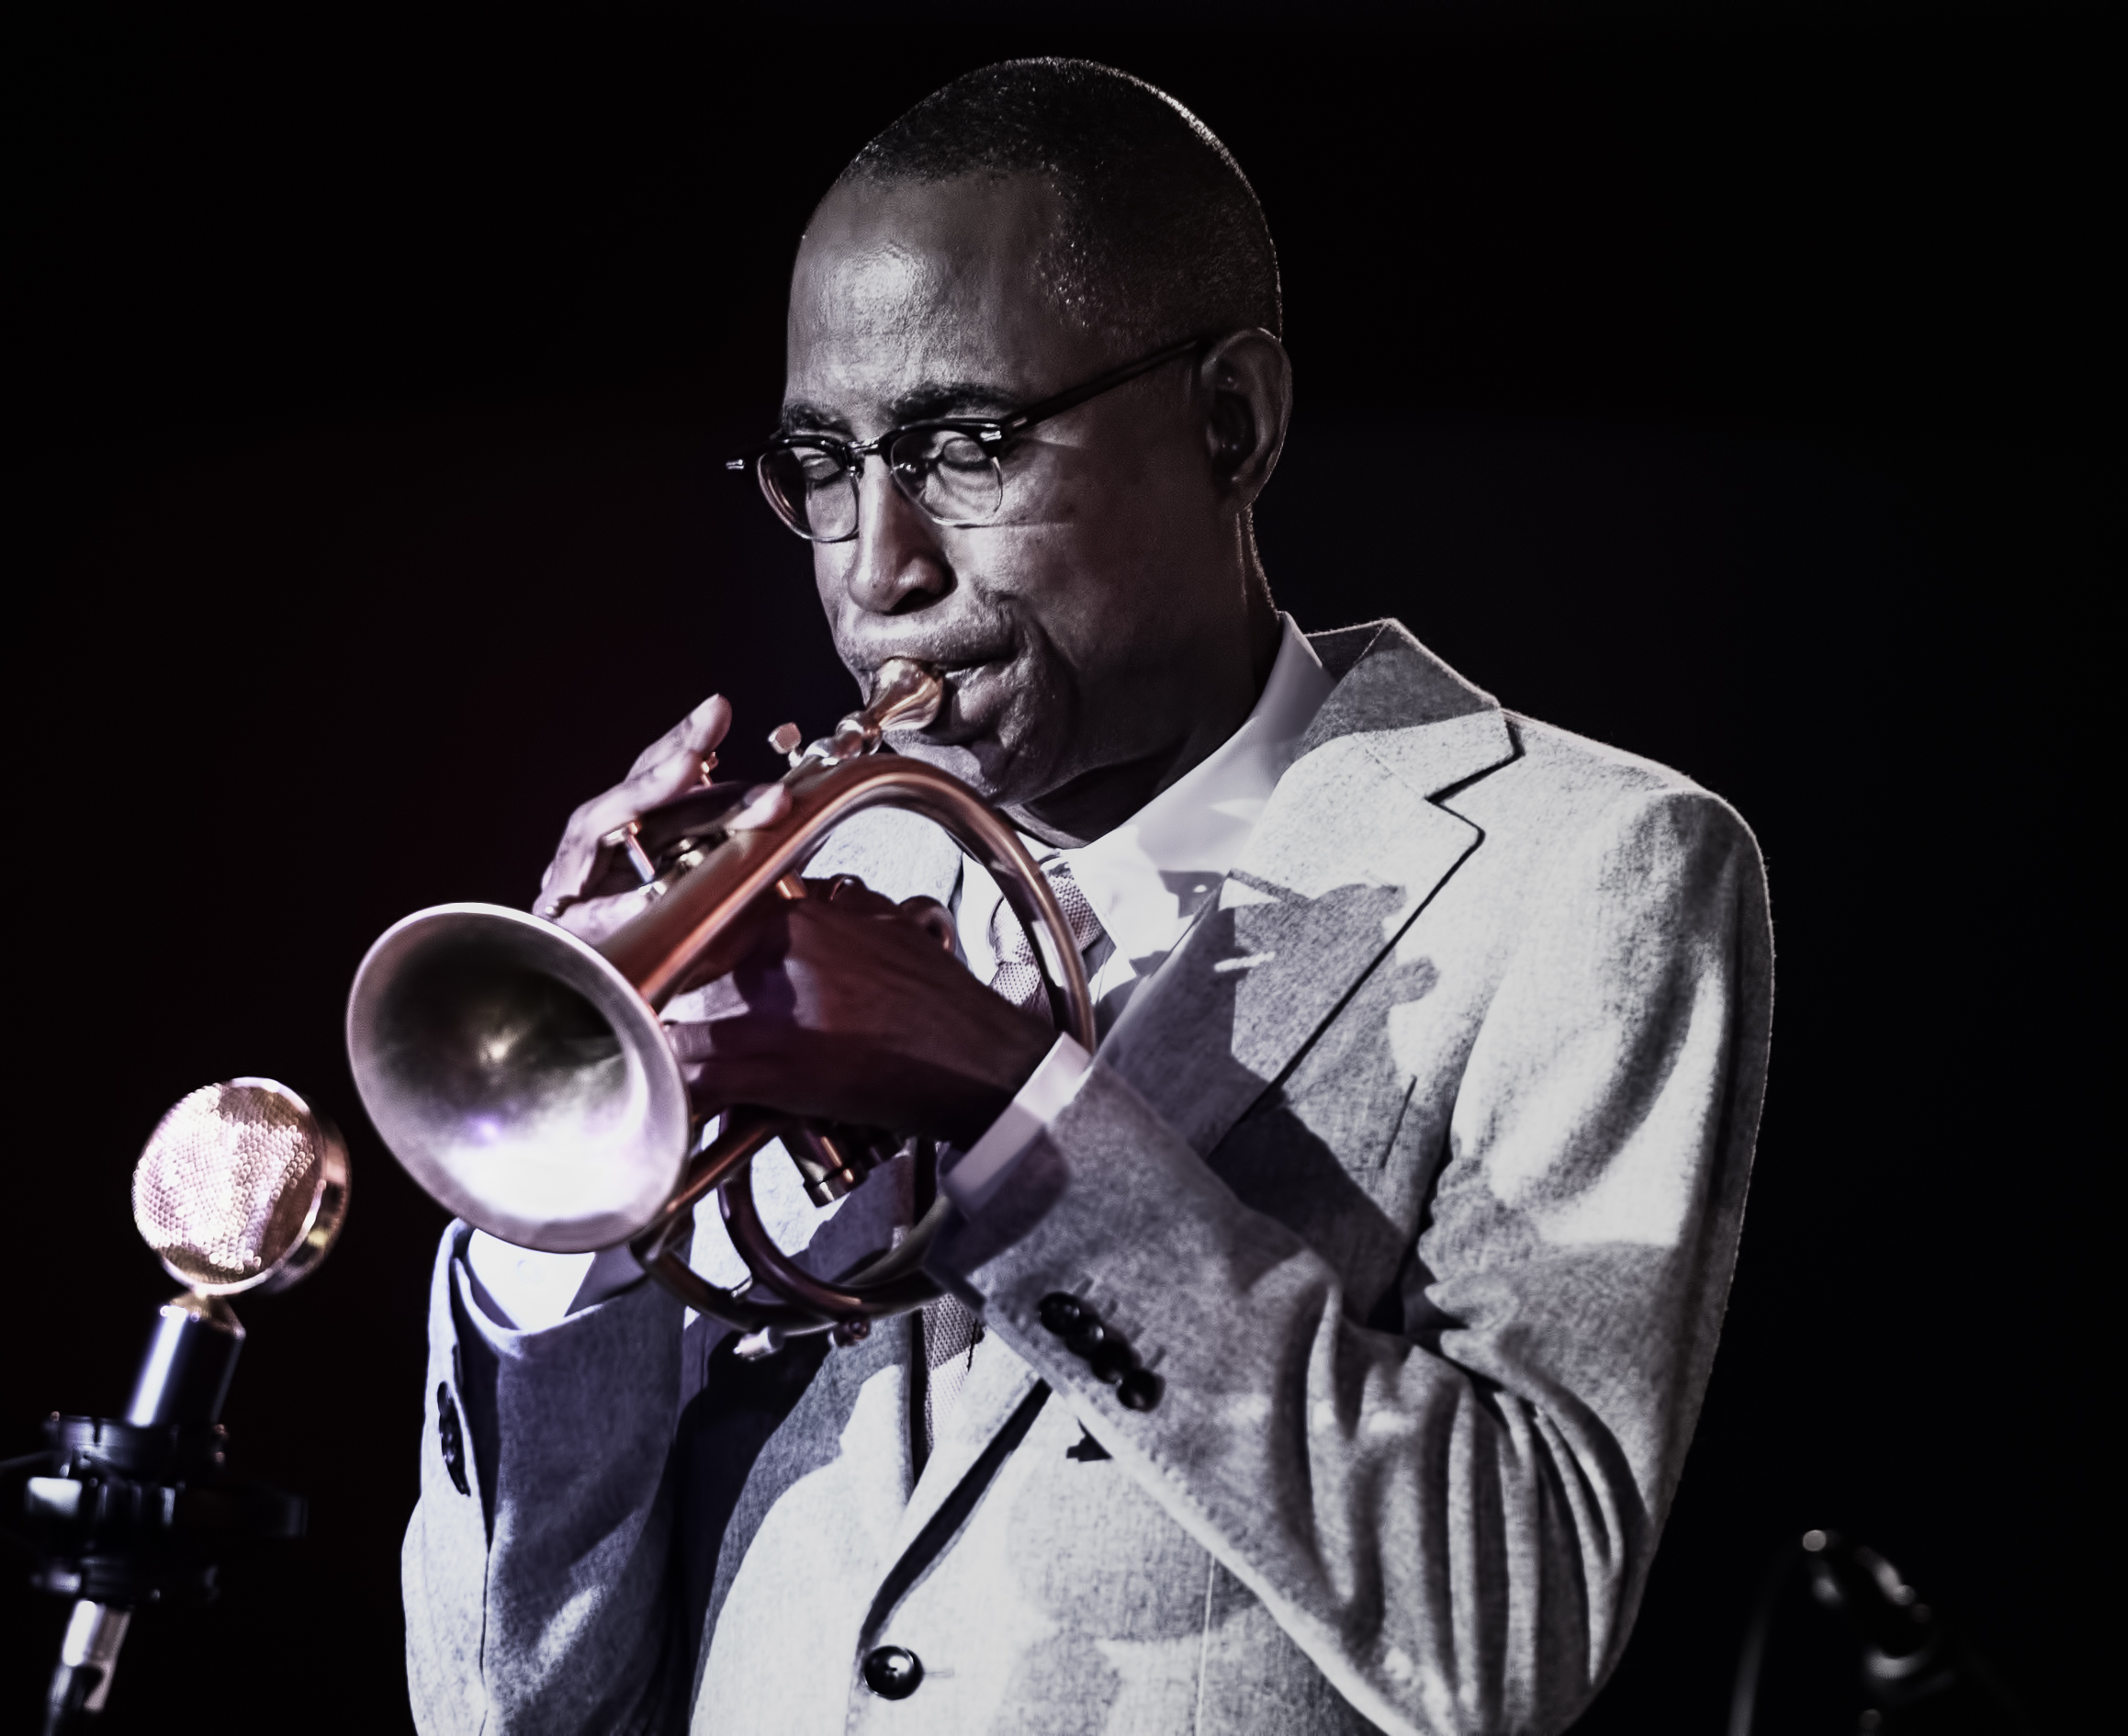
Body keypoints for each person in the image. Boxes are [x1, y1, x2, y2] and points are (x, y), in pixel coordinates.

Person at [402, 58, 1773, 1736]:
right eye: (821, 466)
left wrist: (1011, 1112)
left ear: (1232, 424)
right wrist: (561, 1221)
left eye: (962, 444)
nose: (877, 565)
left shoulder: (1595, 870)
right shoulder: (825, 891)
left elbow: (1509, 1627)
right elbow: (499, 1712)